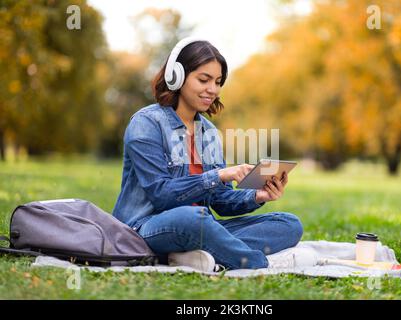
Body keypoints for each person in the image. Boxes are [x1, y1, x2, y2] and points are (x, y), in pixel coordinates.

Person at [112, 37, 305, 272]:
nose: (212, 89)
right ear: (177, 76)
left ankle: (195, 255)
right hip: (145, 229)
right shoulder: (146, 123)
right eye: (204, 80)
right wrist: (220, 175)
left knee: (288, 224)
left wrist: (258, 195)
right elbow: (161, 194)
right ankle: (258, 263)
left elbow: (221, 202)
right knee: (194, 218)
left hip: (201, 225)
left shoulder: (209, 133)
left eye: (218, 82)